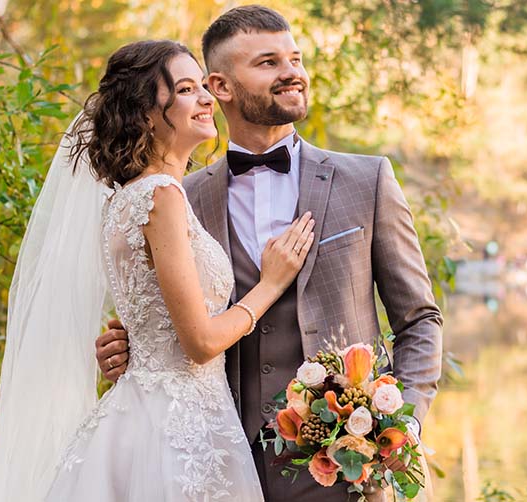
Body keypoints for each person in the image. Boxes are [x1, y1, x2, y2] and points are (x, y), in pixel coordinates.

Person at [95, 6, 443, 500]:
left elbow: (420, 320)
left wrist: (397, 428)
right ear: (221, 86)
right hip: (217, 457)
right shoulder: (175, 196)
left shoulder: (367, 182)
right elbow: (169, 320)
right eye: (268, 63)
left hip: (348, 471)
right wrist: (125, 348)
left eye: (294, 59)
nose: (292, 73)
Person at [0, 39, 315, 501]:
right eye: (188, 90)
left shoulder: (128, 199)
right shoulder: (161, 197)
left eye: (203, 88)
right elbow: (199, 343)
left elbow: (155, 319)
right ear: (148, 113)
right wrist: (271, 284)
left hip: (148, 412)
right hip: (178, 429)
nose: (206, 99)